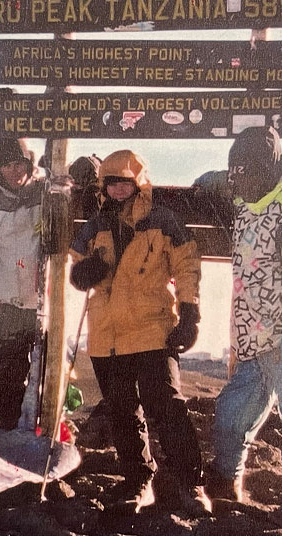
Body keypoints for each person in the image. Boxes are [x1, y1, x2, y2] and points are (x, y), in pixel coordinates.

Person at [69, 149, 212, 516]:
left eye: (125, 182)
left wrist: (190, 311)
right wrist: (83, 273)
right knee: (121, 412)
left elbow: (186, 262)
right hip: (107, 335)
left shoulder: (162, 219)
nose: (118, 190)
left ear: (139, 183)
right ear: (104, 186)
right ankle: (138, 481)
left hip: (152, 330)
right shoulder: (95, 223)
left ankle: (189, 484)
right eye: (112, 183)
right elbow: (76, 261)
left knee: (165, 404)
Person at [205, 126, 282, 530]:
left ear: (268, 168)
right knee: (230, 414)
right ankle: (224, 481)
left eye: (245, 171)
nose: (238, 179)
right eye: (234, 172)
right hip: (254, 340)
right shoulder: (248, 204)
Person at [0, 138, 45, 430]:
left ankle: (40, 429)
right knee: (10, 371)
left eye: (20, 163)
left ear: (30, 164)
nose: (14, 171)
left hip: (41, 301)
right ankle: (8, 427)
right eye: (7, 164)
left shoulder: (46, 192)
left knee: (43, 372)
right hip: (8, 300)